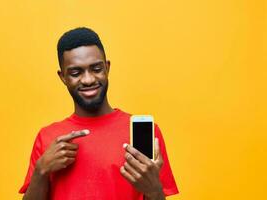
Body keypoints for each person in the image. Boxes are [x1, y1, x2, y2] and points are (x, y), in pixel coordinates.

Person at [19, 27, 179, 200]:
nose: (88, 79)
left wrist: (154, 189)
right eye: (76, 73)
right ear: (62, 77)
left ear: (107, 68)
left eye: (96, 69)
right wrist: (41, 171)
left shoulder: (146, 133)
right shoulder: (48, 137)